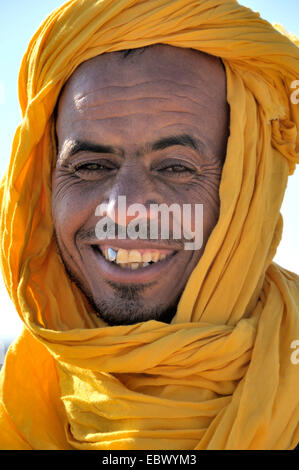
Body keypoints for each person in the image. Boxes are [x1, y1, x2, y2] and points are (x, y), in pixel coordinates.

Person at [0, 0, 298, 450]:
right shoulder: (18, 398)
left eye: (176, 167)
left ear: (250, 185)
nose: (127, 208)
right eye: (90, 166)